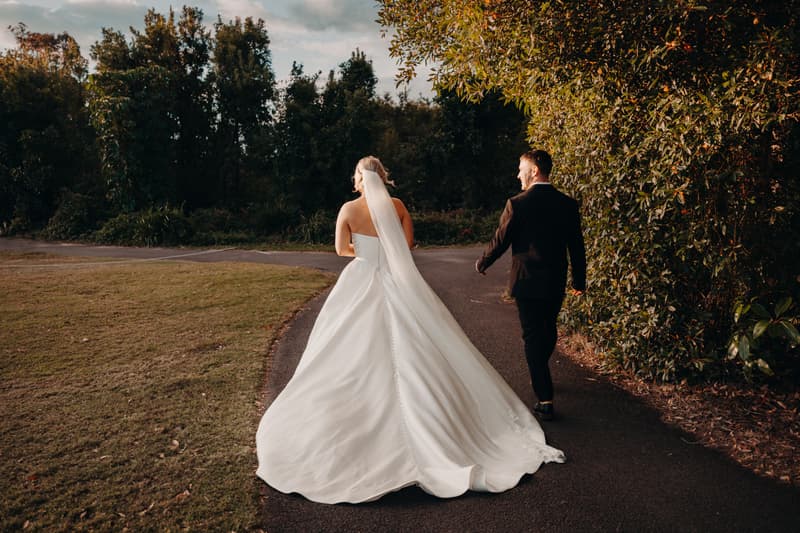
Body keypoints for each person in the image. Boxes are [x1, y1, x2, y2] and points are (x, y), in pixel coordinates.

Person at [255, 156, 564, 504]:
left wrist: (366, 249)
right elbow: (407, 245)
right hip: (396, 282)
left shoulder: (346, 210)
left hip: (360, 280)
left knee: (343, 347)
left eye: (356, 176)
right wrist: (385, 243)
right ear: (383, 177)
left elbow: (342, 249)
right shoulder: (398, 206)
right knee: (423, 343)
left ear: (360, 178)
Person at [476, 150, 586, 421]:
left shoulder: (517, 203)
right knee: (547, 330)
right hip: (555, 281)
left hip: (526, 282)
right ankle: (541, 372)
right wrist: (579, 281)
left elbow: (500, 240)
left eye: (521, 168)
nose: (518, 174)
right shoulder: (567, 204)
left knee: (533, 337)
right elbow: (577, 247)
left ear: (535, 171)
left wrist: (482, 263)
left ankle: (545, 398)